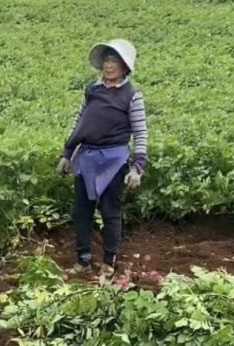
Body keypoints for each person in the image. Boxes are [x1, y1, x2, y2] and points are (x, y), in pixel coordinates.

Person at [57, 39, 148, 277]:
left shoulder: (132, 95)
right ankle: (83, 260)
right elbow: (79, 122)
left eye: (114, 61)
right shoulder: (92, 89)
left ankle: (109, 262)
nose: (109, 66)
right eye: (107, 60)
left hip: (114, 160)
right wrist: (67, 153)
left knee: (110, 212)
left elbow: (140, 132)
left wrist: (137, 166)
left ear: (125, 66)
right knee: (81, 212)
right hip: (86, 157)